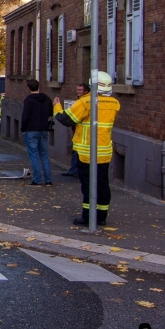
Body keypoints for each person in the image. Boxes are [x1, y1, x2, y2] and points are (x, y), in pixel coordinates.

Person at [53, 72, 121, 226]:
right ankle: (101, 216)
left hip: (86, 152)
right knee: (102, 184)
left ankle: (88, 216)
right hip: (104, 151)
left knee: (88, 185)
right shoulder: (114, 103)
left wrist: (57, 107)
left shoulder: (85, 102)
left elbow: (66, 119)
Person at [21, 79, 54, 186]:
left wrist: (23, 128)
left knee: (34, 155)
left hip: (31, 129)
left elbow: (25, 116)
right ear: (38, 86)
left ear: (28, 88)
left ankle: (37, 180)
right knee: (44, 155)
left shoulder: (28, 100)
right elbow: (51, 112)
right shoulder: (47, 99)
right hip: (44, 129)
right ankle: (48, 180)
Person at [61, 83, 90, 178]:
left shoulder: (83, 102)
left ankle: (75, 170)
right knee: (75, 152)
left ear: (86, 91)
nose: (78, 91)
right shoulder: (80, 101)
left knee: (77, 152)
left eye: (80, 90)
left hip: (82, 134)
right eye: (77, 90)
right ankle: (74, 169)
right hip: (77, 131)